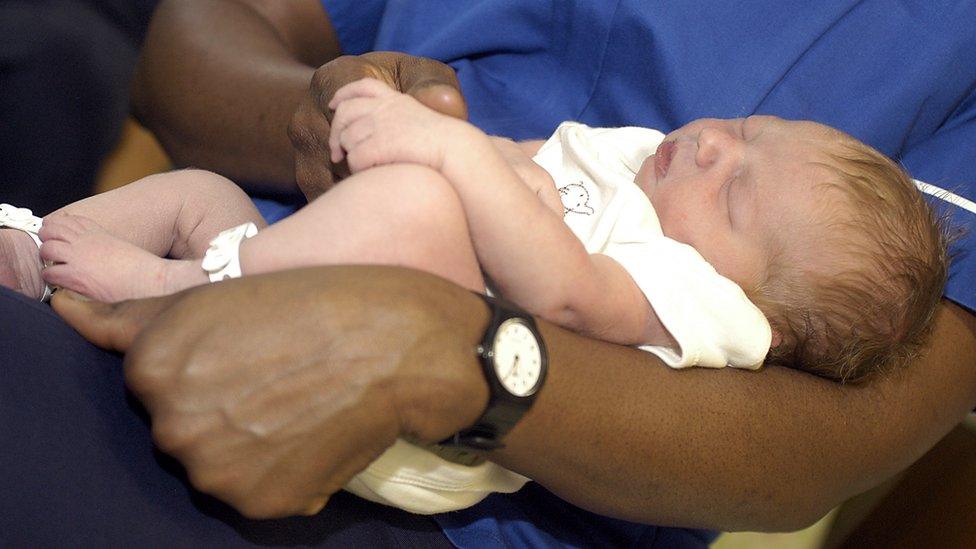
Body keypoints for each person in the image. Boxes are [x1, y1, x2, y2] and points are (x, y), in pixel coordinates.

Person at [2, 1, 974, 546]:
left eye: (735, 195)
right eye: (745, 133)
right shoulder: (636, 171)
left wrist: (450, 318)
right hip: (274, 238)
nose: (715, 144)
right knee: (181, 181)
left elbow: (561, 294)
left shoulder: (690, 301)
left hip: (409, 466)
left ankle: (170, 293)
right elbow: (208, 35)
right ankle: (39, 244)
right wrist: (320, 110)